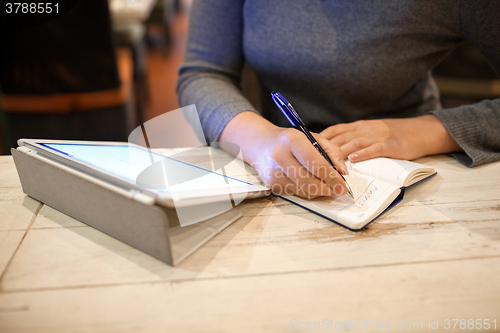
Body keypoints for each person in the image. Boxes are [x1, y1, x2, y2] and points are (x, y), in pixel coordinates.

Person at [177, 0, 500, 199]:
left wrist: (428, 131)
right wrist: (258, 139)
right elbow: (204, 72)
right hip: (272, 165)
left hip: (413, 172)